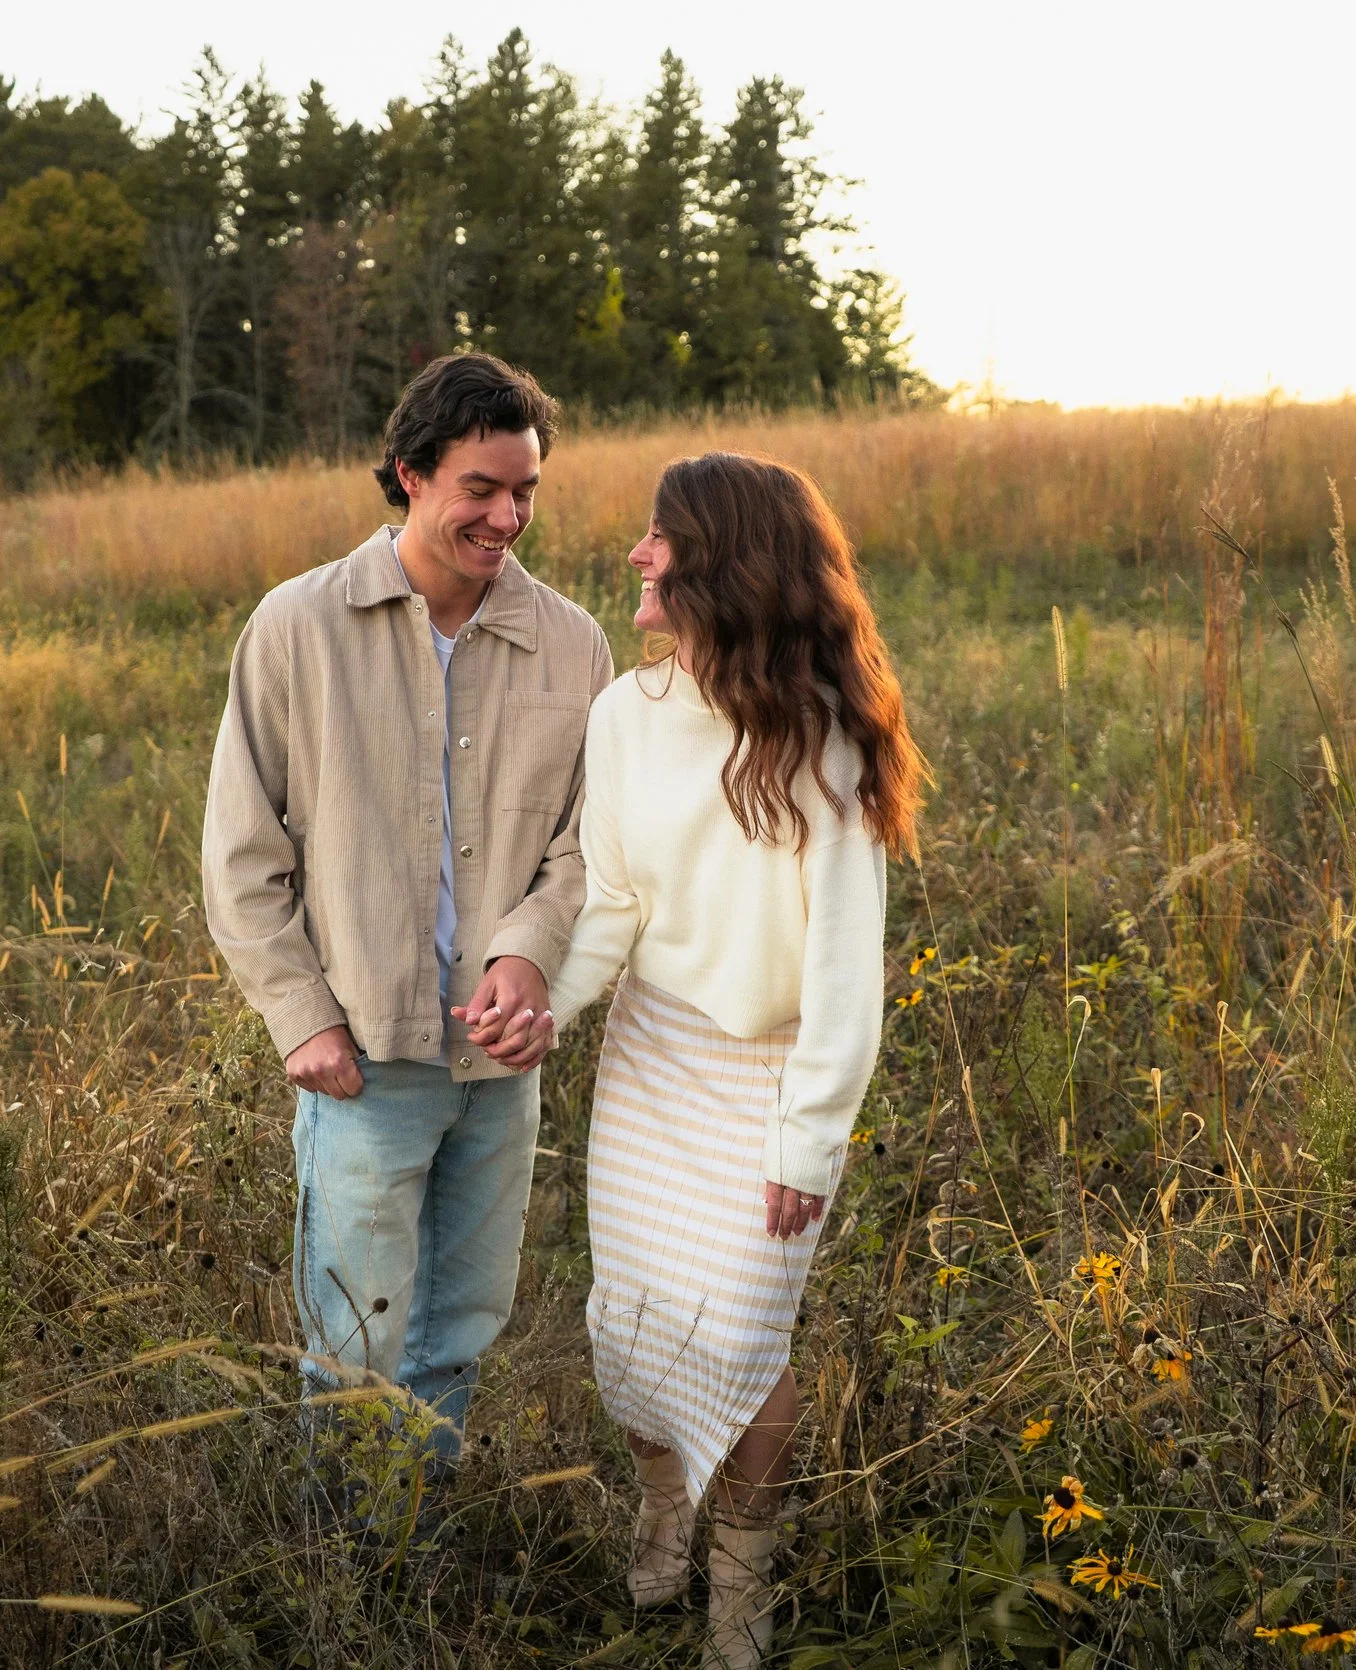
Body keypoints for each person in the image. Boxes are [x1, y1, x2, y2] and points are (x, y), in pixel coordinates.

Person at [532, 451, 927, 1668]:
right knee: (638, 1330)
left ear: (722, 564)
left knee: (745, 1342)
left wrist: (809, 1139)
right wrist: (542, 1008)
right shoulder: (625, 714)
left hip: (772, 1078)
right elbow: (610, 900)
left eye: (661, 538)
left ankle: (738, 1606)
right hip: (652, 1060)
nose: (637, 555)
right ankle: (663, 1511)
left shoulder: (822, 740)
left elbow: (846, 973)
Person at [201, 353, 611, 1510]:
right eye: (481, 487)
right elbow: (241, 854)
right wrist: (301, 1018)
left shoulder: (573, 643)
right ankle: (348, 1566)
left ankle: (416, 1542)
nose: (508, 515)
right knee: (356, 1333)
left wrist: (526, 954)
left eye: (526, 489)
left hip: (500, 1058)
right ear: (409, 474)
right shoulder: (296, 626)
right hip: (361, 1056)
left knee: (462, 1320)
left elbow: (589, 843)